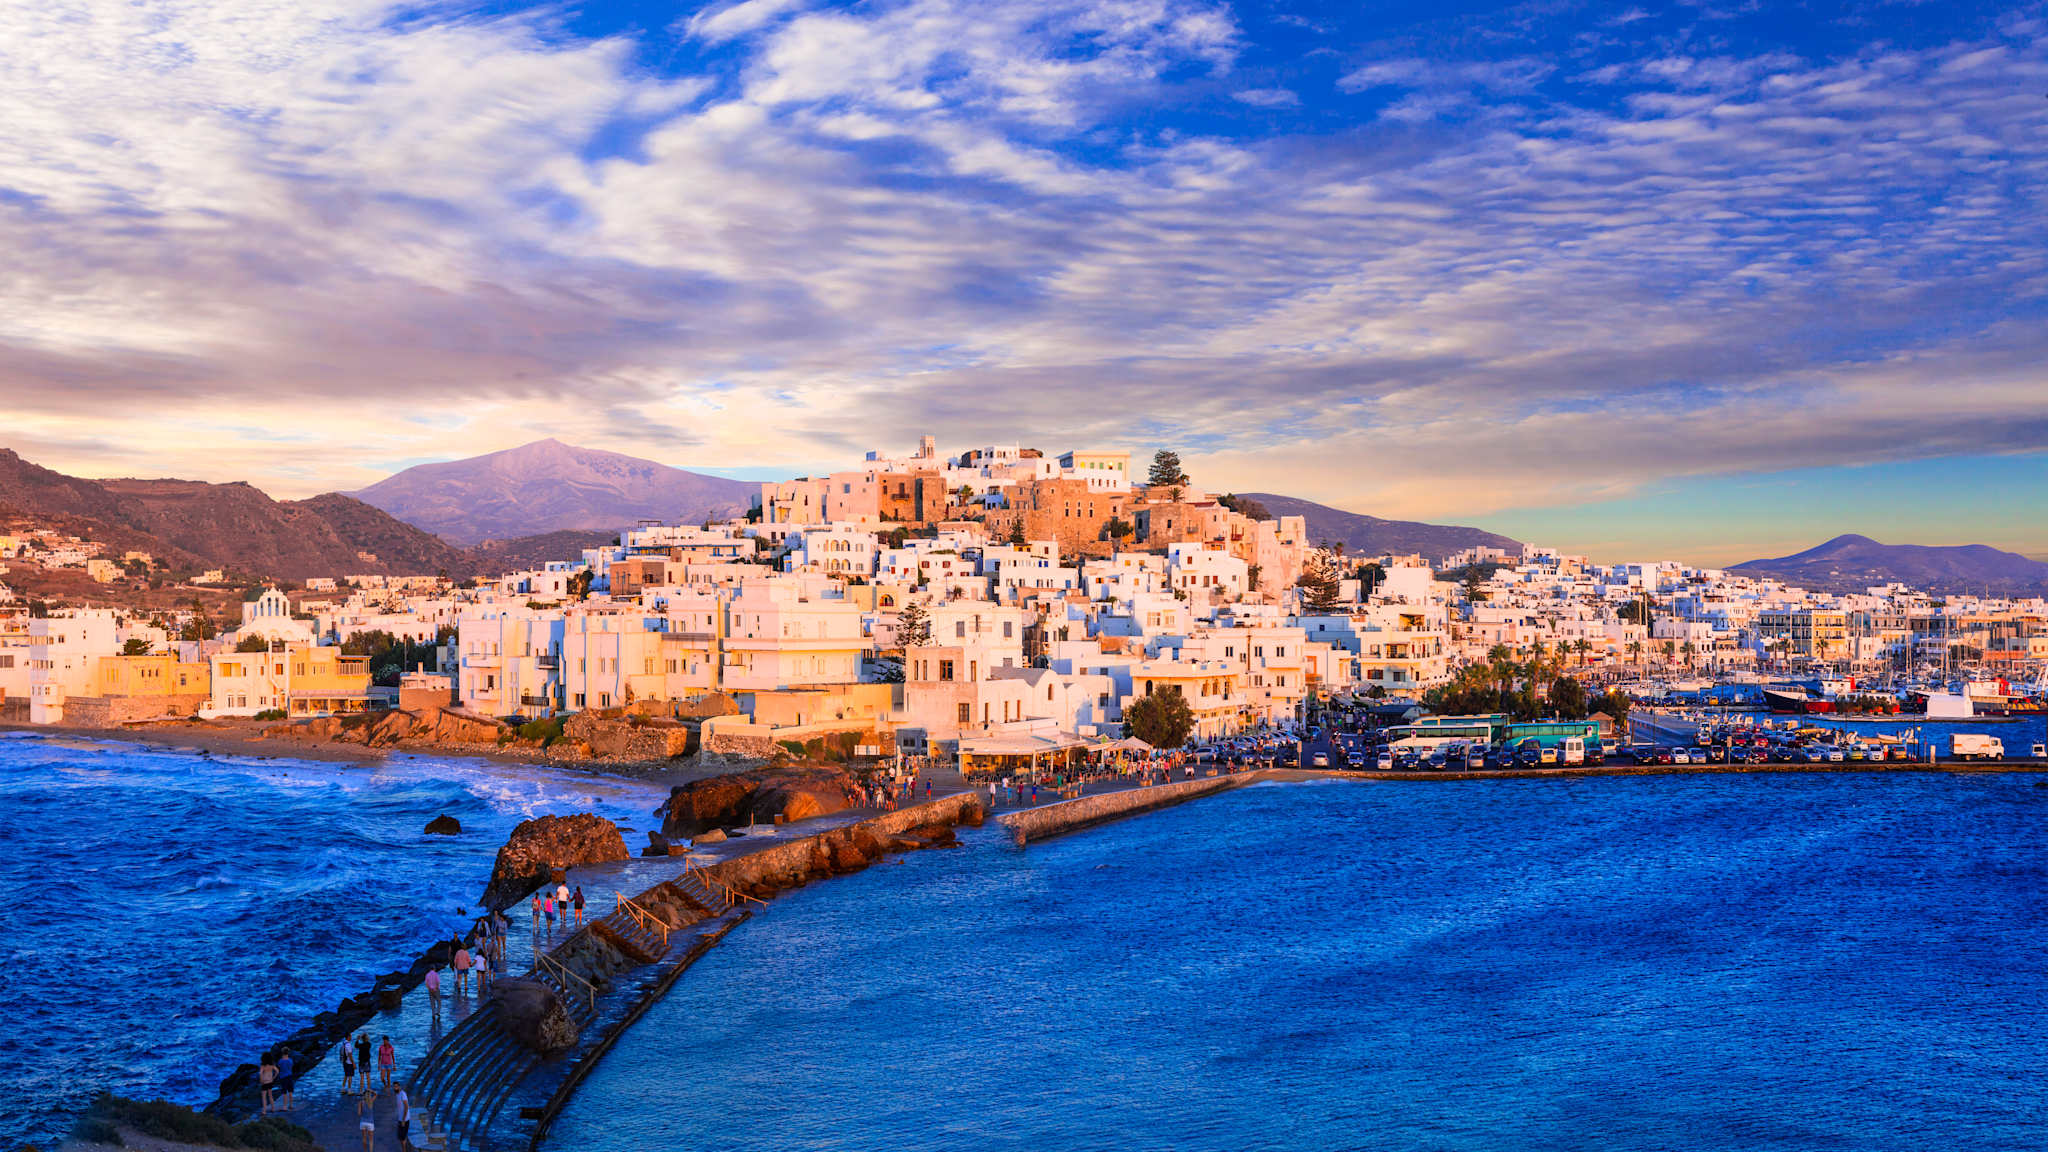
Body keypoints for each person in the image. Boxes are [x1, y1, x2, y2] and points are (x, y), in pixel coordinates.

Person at [357, 1082, 377, 1152]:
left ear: (364, 1095)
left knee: (364, 1138)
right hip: (370, 1123)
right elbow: (376, 1094)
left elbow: (359, 1114)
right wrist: (370, 1090)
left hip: (363, 1122)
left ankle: (365, 1151)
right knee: (371, 1140)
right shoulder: (371, 1101)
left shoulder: (361, 1102)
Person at [395, 1084, 412, 1151]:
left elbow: (406, 1106)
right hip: (400, 1119)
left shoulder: (403, 1094)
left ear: (399, 1087)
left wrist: (403, 1120)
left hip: (404, 1119)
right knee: (401, 1138)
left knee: (403, 1138)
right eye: (394, 1087)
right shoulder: (397, 1095)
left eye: (396, 1086)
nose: (395, 1088)